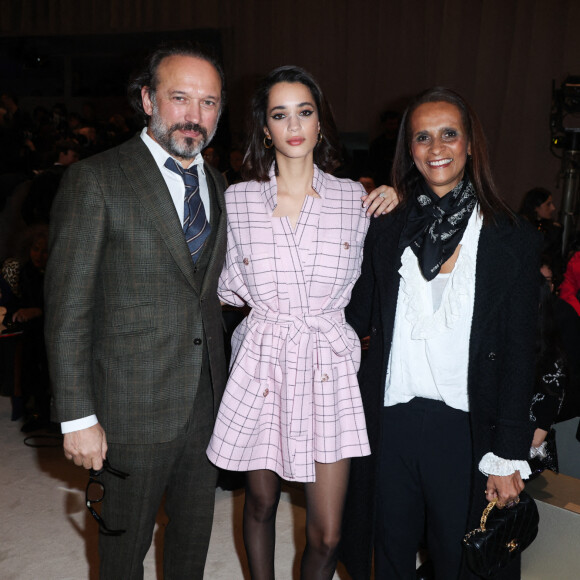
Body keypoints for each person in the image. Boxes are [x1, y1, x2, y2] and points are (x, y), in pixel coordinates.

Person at [340, 87, 541, 580]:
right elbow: (351, 313)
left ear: (471, 144)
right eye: (422, 137)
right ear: (409, 150)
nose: (436, 148)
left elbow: (521, 352)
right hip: (391, 425)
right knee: (386, 558)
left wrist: (509, 454)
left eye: (449, 134)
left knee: (462, 565)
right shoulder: (387, 229)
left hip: (468, 429)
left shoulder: (510, 237)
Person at [44, 41, 228, 580]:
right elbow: (67, 307)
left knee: (192, 544)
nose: (194, 116)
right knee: (123, 554)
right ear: (147, 99)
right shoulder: (95, 180)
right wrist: (78, 416)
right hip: (128, 409)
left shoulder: (219, 183)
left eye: (209, 102)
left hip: (207, 404)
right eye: (179, 98)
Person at [206, 65, 397, 580]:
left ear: (320, 123)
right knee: (262, 502)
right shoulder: (237, 201)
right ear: (264, 128)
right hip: (264, 357)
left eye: (305, 112)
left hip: (329, 366)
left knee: (328, 533)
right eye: (279, 114)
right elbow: (218, 287)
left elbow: (391, 265)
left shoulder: (357, 202)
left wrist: (397, 201)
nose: (294, 125)